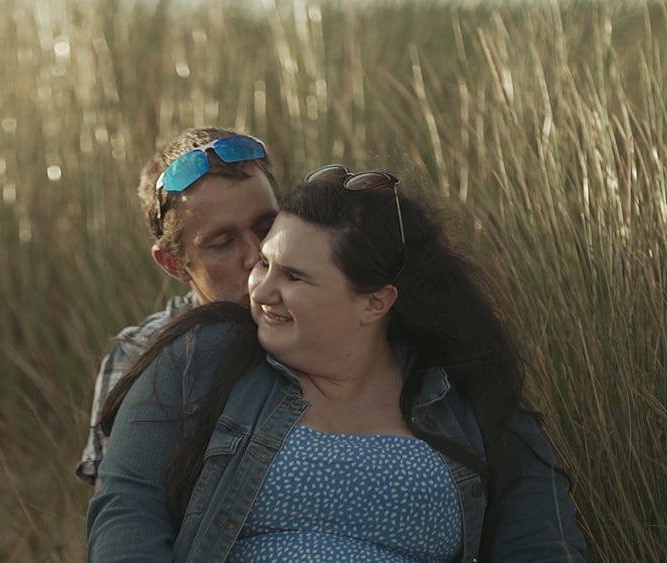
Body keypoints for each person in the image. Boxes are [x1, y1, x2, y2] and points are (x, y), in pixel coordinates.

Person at [87, 164, 587, 561]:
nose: (260, 289)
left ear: (375, 302)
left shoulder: (467, 392)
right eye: (266, 262)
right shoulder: (201, 355)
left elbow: (543, 543)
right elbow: (129, 509)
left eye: (296, 278)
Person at [75, 127, 281, 486]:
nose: (256, 255)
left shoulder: (332, 317)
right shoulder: (140, 355)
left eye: (266, 227)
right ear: (174, 264)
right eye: (223, 242)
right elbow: (121, 518)